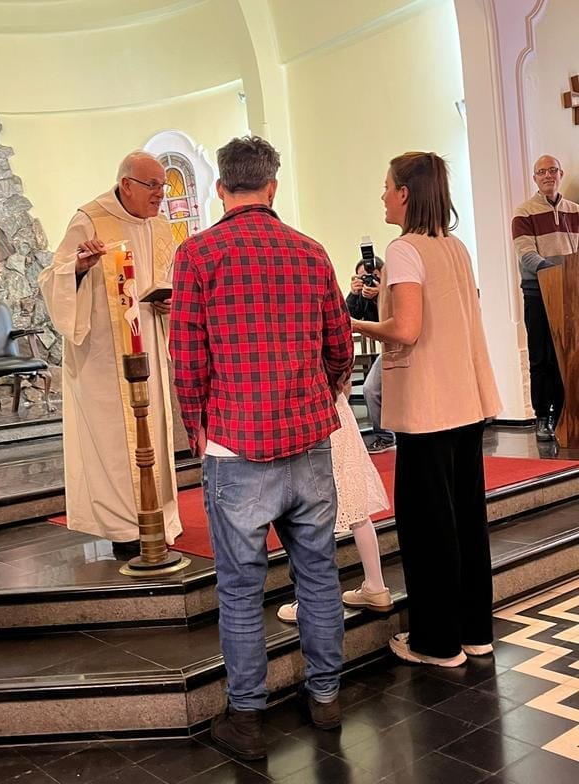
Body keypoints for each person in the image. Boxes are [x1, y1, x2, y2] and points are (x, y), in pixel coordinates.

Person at [170, 136, 353, 760]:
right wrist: (319, 395)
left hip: (235, 445)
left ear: (220, 188)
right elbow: (339, 346)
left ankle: (247, 720)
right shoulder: (310, 251)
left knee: (241, 589)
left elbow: (187, 360)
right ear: (272, 186)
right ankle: (326, 698)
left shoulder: (197, 255)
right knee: (319, 575)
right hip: (308, 442)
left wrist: (199, 429)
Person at [352, 151, 501, 668]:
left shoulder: (404, 248)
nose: (382, 195)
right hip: (465, 401)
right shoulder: (454, 245)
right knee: (466, 518)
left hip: (428, 405)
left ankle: (436, 643)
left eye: (386, 186)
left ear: (405, 193)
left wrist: (355, 324)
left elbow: (407, 330)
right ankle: (475, 632)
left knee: (427, 525)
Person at [39, 151, 182, 556]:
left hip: (148, 345)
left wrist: (170, 301)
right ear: (126, 185)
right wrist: (79, 268)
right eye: (152, 185)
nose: (160, 194)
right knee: (115, 443)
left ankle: (158, 519)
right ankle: (124, 528)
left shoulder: (160, 226)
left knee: (153, 435)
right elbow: (52, 278)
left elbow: (168, 279)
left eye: (163, 186)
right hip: (102, 358)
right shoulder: (89, 219)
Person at [276, 388, 392, 623]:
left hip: (310, 415)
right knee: (356, 504)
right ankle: (376, 586)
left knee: (310, 509)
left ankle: (309, 601)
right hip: (339, 412)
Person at [512, 155, 579, 442]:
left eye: (553, 170)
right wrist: (558, 273)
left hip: (571, 294)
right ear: (535, 178)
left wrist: (569, 278)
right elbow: (527, 255)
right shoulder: (523, 213)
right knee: (541, 357)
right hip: (538, 292)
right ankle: (543, 416)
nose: (548, 175)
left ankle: (567, 414)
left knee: (569, 356)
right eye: (542, 172)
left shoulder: (574, 211)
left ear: (560, 174)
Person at [347, 256, 396, 453]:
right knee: (370, 389)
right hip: (388, 351)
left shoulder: (395, 291)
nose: (369, 281)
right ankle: (385, 436)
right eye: (363, 277)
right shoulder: (362, 297)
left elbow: (397, 320)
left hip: (406, 348)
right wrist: (353, 295)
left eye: (374, 276)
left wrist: (381, 295)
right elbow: (347, 320)